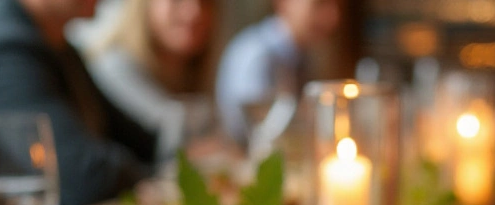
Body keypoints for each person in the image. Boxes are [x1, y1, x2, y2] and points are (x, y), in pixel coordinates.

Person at [0, 0, 157, 205]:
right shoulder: (1, 54)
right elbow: (85, 178)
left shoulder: (59, 48)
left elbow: (141, 142)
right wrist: (149, 177)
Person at [88, 0, 218, 156]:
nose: (195, 11)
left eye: (206, 2)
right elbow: (170, 138)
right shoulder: (113, 67)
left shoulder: (194, 70)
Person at [214, 0, 341, 147]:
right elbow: (253, 139)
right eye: (320, 4)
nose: (333, 17)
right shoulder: (256, 56)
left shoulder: (303, 58)